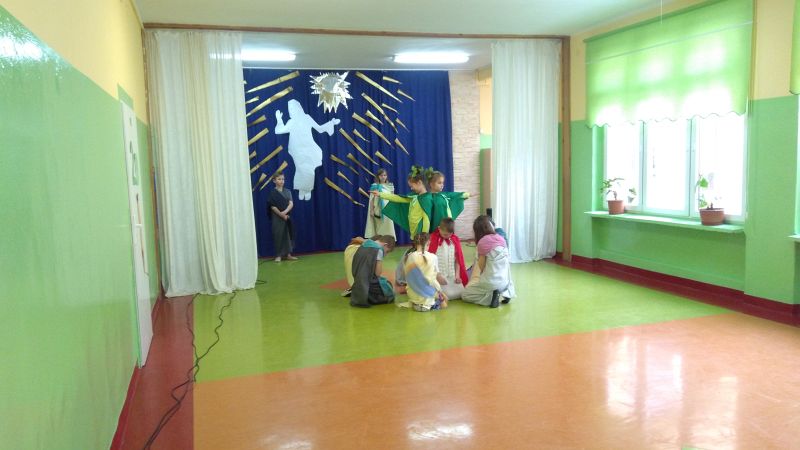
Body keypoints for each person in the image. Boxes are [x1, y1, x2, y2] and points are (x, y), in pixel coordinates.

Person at [274, 99, 340, 200]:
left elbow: (319, 128)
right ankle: (302, 190)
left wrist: (331, 123)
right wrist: (279, 119)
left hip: (309, 148)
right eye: (290, 109)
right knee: (300, 169)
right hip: (297, 150)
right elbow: (279, 131)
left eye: (293, 108)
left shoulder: (307, 118)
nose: (291, 110)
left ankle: (307, 190)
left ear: (298, 108)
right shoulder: (291, 122)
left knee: (309, 169)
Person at [462, 215, 515, 308]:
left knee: (465, 294)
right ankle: (506, 293)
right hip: (505, 282)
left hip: (491, 283)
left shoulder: (482, 243)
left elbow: (481, 267)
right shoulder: (502, 239)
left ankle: (491, 298)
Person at [372, 165, 432, 238]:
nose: (411, 188)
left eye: (412, 186)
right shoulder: (414, 196)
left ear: (419, 182)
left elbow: (426, 219)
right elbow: (398, 198)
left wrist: (424, 235)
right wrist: (380, 194)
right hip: (413, 231)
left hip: (420, 234)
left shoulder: (426, 199)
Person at [402, 232, 447, 312]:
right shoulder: (433, 257)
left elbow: (407, 278)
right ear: (428, 243)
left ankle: (418, 303)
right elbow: (435, 279)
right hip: (427, 300)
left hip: (413, 296)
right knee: (441, 295)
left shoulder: (408, 256)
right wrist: (441, 290)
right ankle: (430, 303)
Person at [350, 235, 397, 308]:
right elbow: (378, 273)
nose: (386, 254)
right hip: (368, 284)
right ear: (385, 245)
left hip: (357, 282)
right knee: (389, 288)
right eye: (387, 251)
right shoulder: (378, 250)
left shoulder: (364, 245)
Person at [428, 218, 468, 300]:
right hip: (438, 276)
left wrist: (457, 275)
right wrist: (437, 276)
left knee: (462, 293)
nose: (448, 236)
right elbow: (429, 261)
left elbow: (458, 260)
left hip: (452, 276)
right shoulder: (433, 239)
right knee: (445, 296)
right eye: (445, 234)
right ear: (439, 229)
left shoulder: (454, 240)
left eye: (450, 234)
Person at [426, 170, 470, 235]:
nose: (442, 185)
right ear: (431, 184)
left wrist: (468, 194)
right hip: (435, 227)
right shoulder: (428, 198)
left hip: (446, 226)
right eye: (439, 183)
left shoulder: (444, 195)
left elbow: (456, 196)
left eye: (442, 183)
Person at [268, 172, 297, 262]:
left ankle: (288, 254)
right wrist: (281, 215)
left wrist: (284, 213)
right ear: (274, 181)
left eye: (283, 179)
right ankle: (278, 255)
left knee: (288, 234)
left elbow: (291, 204)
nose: (281, 181)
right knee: (278, 235)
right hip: (277, 217)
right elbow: (272, 206)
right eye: (279, 179)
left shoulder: (287, 191)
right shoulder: (272, 193)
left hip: (287, 216)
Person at [365, 169, 396, 239]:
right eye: (381, 175)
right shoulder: (374, 186)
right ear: (378, 176)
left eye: (385, 175)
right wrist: (371, 210)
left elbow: (393, 197)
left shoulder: (390, 185)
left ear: (387, 176)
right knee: (379, 227)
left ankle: (389, 241)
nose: (383, 177)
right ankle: (379, 241)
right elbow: (372, 199)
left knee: (388, 227)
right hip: (378, 210)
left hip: (388, 209)